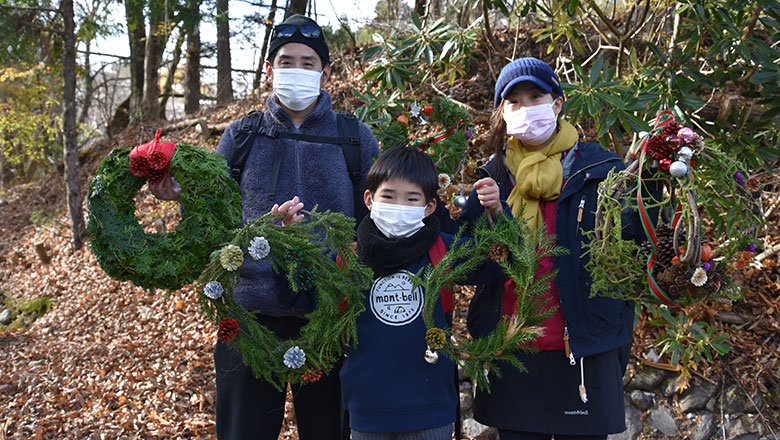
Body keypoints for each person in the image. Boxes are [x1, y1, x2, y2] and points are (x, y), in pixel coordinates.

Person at [152, 14, 380, 440]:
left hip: (332, 316)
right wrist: (180, 194)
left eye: (308, 62)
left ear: (326, 71)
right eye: (287, 61)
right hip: (249, 317)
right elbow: (215, 212)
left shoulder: (356, 139)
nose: (298, 70)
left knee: (333, 431)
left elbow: (379, 217)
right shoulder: (242, 136)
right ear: (270, 70)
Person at [459, 57, 639, 440]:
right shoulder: (492, 177)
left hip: (585, 348)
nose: (526, 109)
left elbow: (634, 245)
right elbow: (469, 264)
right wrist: (492, 216)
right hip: (513, 347)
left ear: (557, 104)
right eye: (514, 102)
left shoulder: (602, 171)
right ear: (502, 114)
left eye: (535, 96)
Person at [276, 145, 506, 440]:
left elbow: (500, 264)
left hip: (431, 410)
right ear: (370, 200)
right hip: (367, 411)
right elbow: (302, 296)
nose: (399, 206)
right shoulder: (348, 258)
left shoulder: (444, 250)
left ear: (429, 207)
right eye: (389, 196)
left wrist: (496, 212)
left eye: (412, 199)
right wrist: (290, 243)